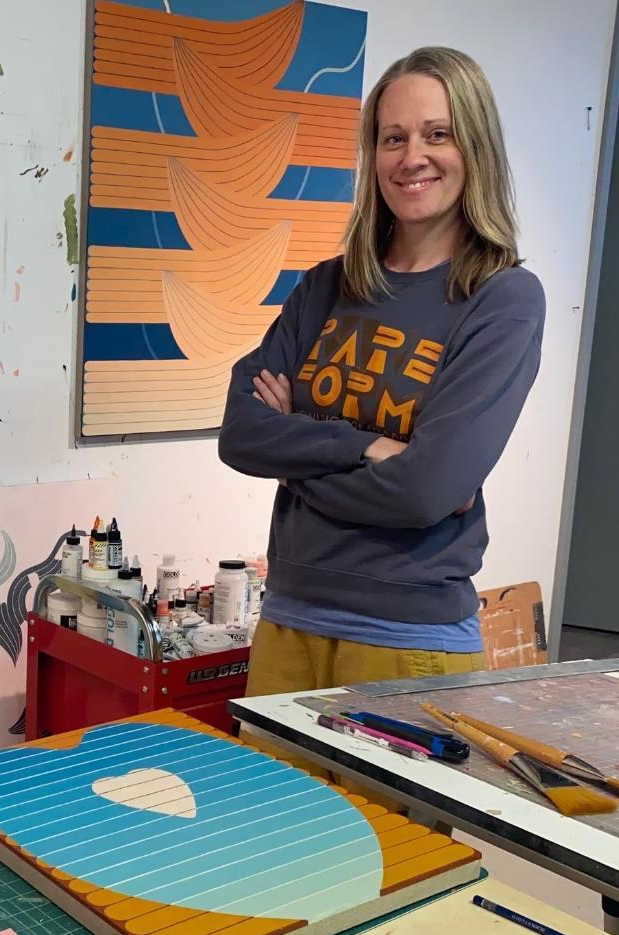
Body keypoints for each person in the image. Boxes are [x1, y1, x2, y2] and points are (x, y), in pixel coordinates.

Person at [218, 46, 545, 698]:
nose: (412, 157)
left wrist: (294, 452)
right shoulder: (327, 286)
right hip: (288, 619)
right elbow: (241, 433)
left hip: (408, 641)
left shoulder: (501, 299)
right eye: (393, 138)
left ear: (474, 147)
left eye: (437, 134)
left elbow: (426, 490)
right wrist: (367, 447)